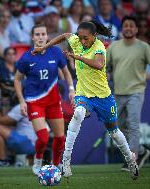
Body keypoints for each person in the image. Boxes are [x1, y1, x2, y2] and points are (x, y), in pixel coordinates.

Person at [32, 21, 139, 180]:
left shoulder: (99, 47)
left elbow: (98, 64)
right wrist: (44, 47)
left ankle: (130, 159)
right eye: (80, 38)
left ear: (94, 36)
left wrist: (76, 56)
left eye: (85, 38)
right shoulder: (76, 39)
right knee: (78, 114)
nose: (82, 41)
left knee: (114, 132)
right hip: (83, 93)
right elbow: (63, 36)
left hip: (103, 96)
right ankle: (66, 159)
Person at [106, 16, 150, 171]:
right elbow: (104, 68)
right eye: (125, 25)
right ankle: (141, 150)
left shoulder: (144, 47)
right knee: (117, 127)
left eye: (131, 25)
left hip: (136, 91)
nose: (128, 28)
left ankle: (133, 159)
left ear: (136, 29)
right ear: (122, 29)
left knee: (134, 125)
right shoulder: (114, 47)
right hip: (118, 93)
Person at [14, 24, 74, 175]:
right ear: (32, 37)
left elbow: (66, 73)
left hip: (53, 101)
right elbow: (17, 79)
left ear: (47, 36)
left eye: (43, 34)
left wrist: (71, 89)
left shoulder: (56, 52)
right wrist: (22, 101)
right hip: (35, 102)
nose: (40, 37)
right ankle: (38, 159)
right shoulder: (26, 57)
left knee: (60, 138)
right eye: (37, 34)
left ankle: (55, 165)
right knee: (43, 137)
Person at [0, 100, 37, 166]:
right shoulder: (36, 104)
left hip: (28, 144)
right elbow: (8, 122)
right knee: (9, 129)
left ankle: (3, 161)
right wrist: (5, 106)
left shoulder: (22, 106)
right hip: (38, 145)